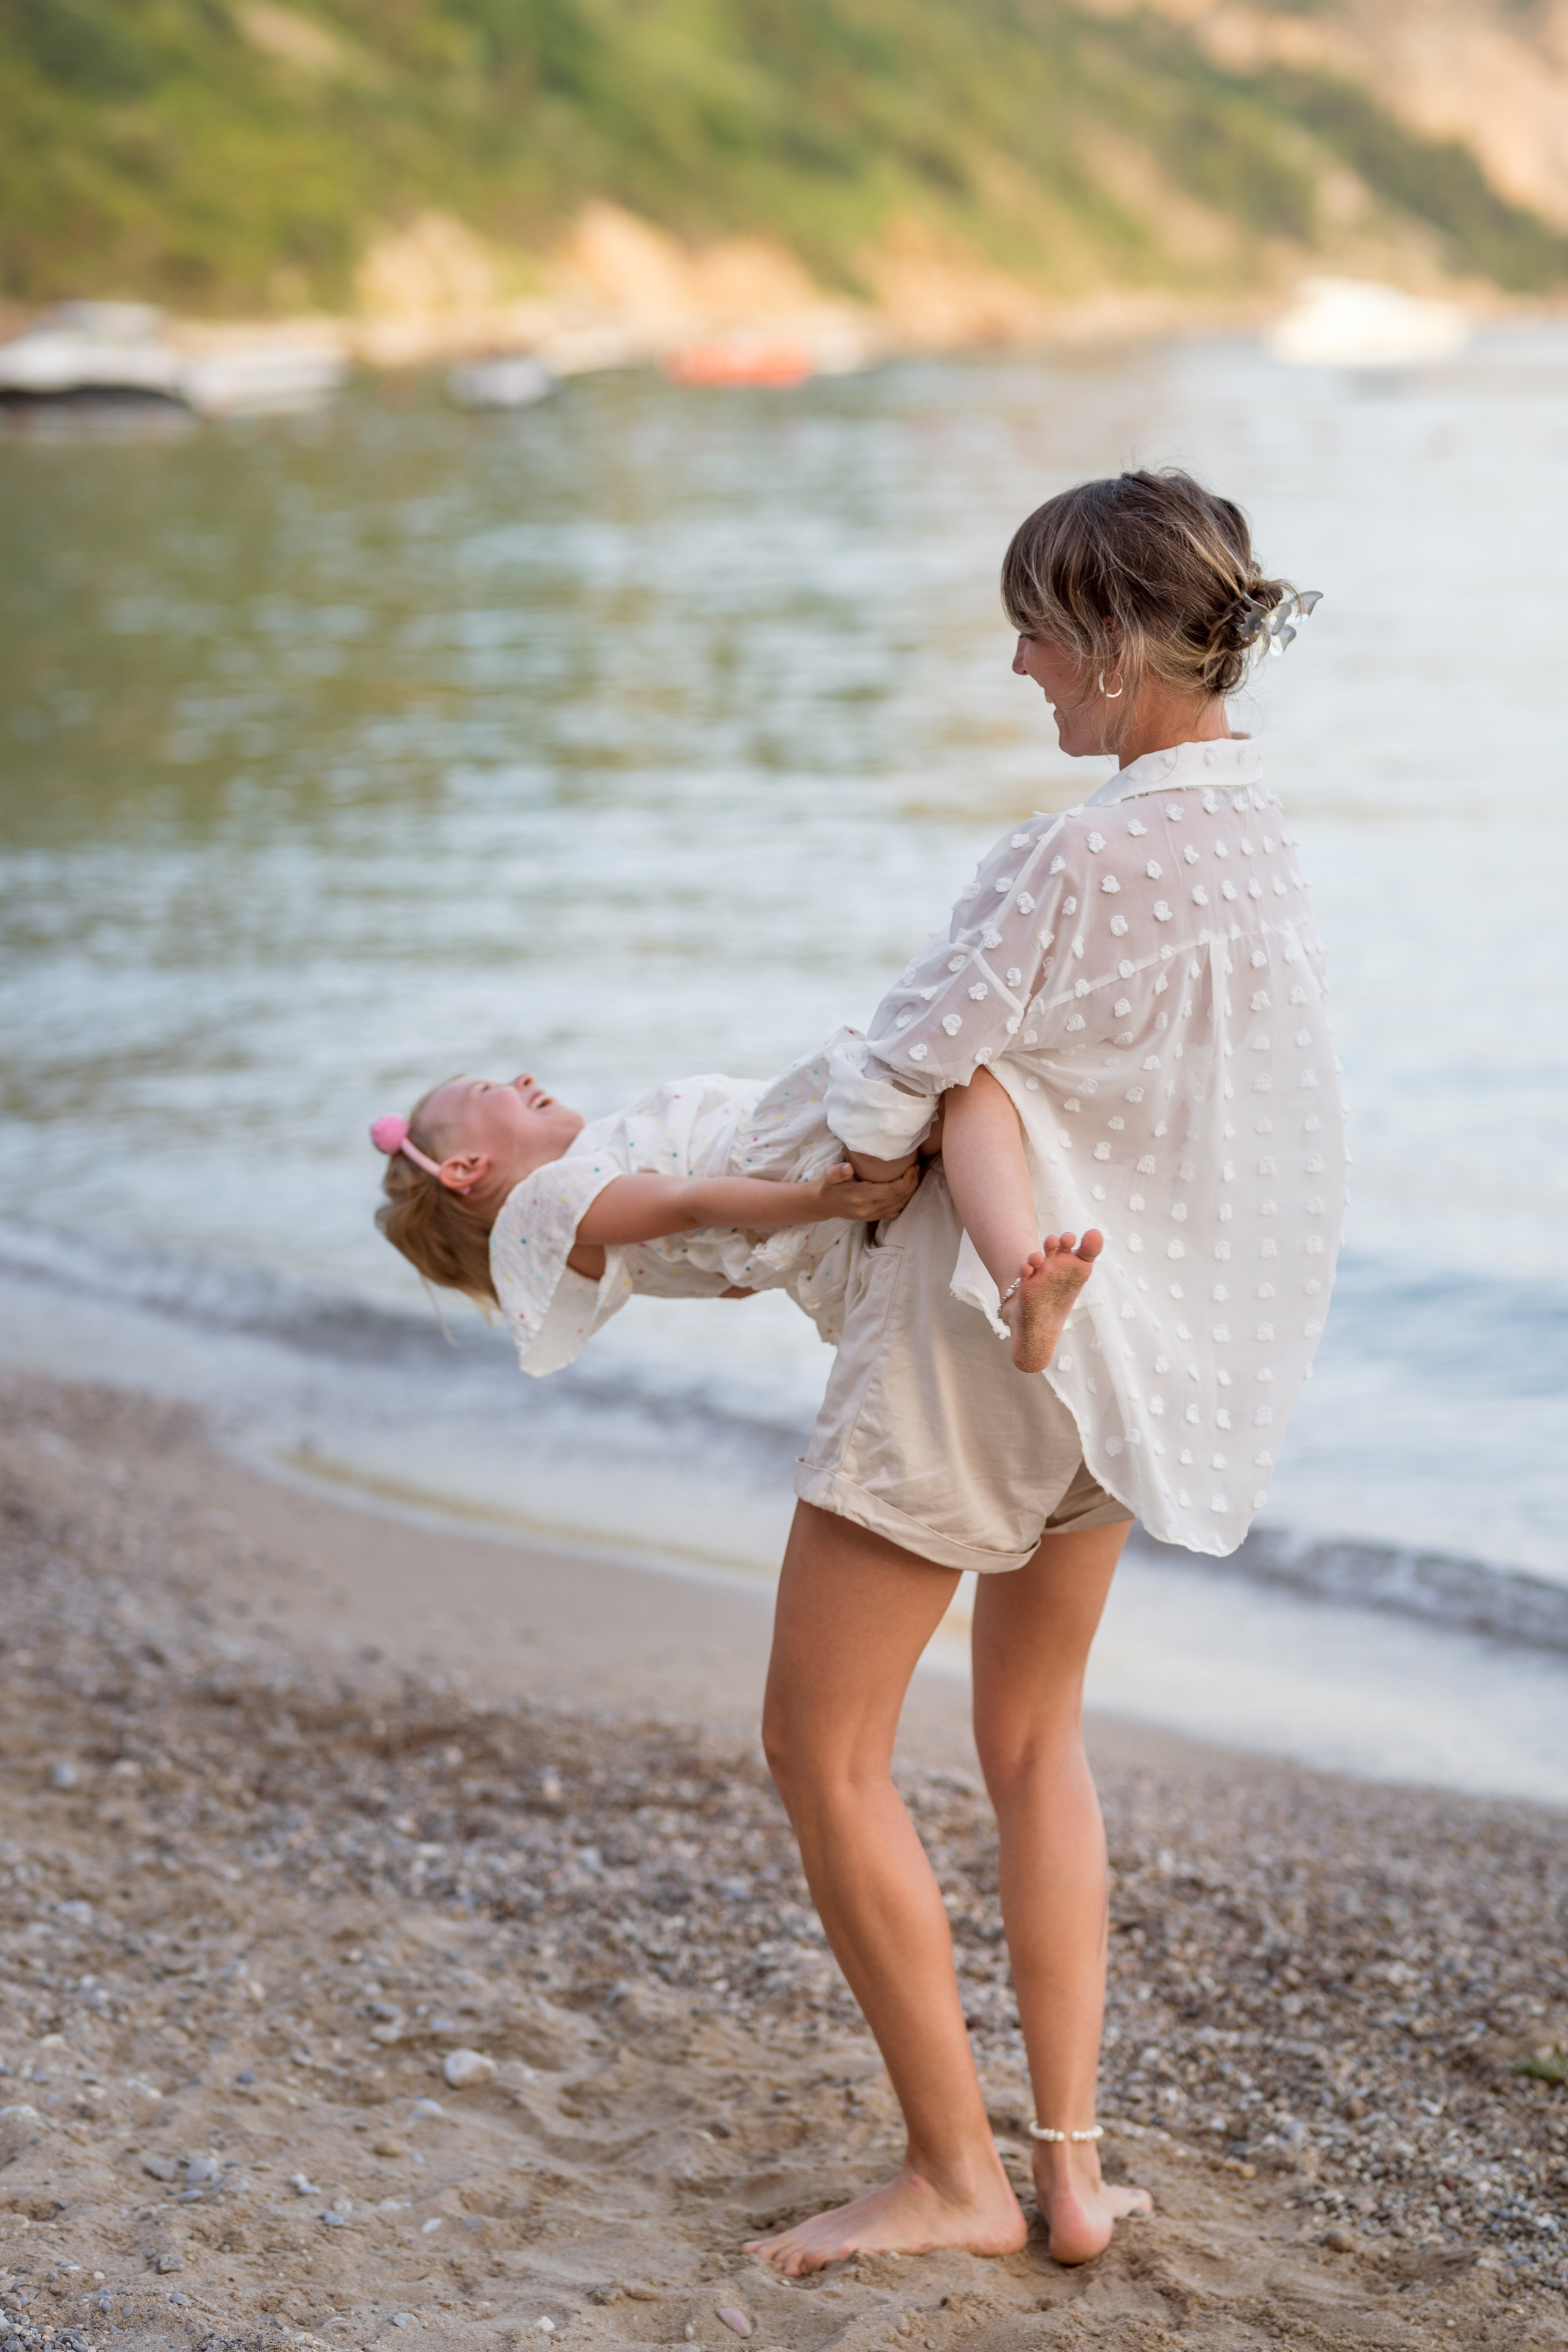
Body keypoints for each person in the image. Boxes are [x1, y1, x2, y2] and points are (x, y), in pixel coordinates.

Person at [746, 469, 1343, 2277]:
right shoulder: (1264, 852)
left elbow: (889, 1084)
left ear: (1109, 639)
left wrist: (857, 1117)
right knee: (1033, 1738)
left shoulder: (1069, 853)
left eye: (1030, 627)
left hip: (974, 1347)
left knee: (820, 1743)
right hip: (1119, 1351)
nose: (1012, 661)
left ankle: (951, 2174)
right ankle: (1070, 2172)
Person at [368, 1035, 924, 1370]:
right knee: (930, 1095)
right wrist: (818, 1200)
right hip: (801, 1175)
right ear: (468, 1167)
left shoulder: (606, 1252)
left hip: (814, 1225)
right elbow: (691, 1202)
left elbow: (732, 1287)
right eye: (491, 1092)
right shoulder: (546, 1200)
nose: (523, 1078)